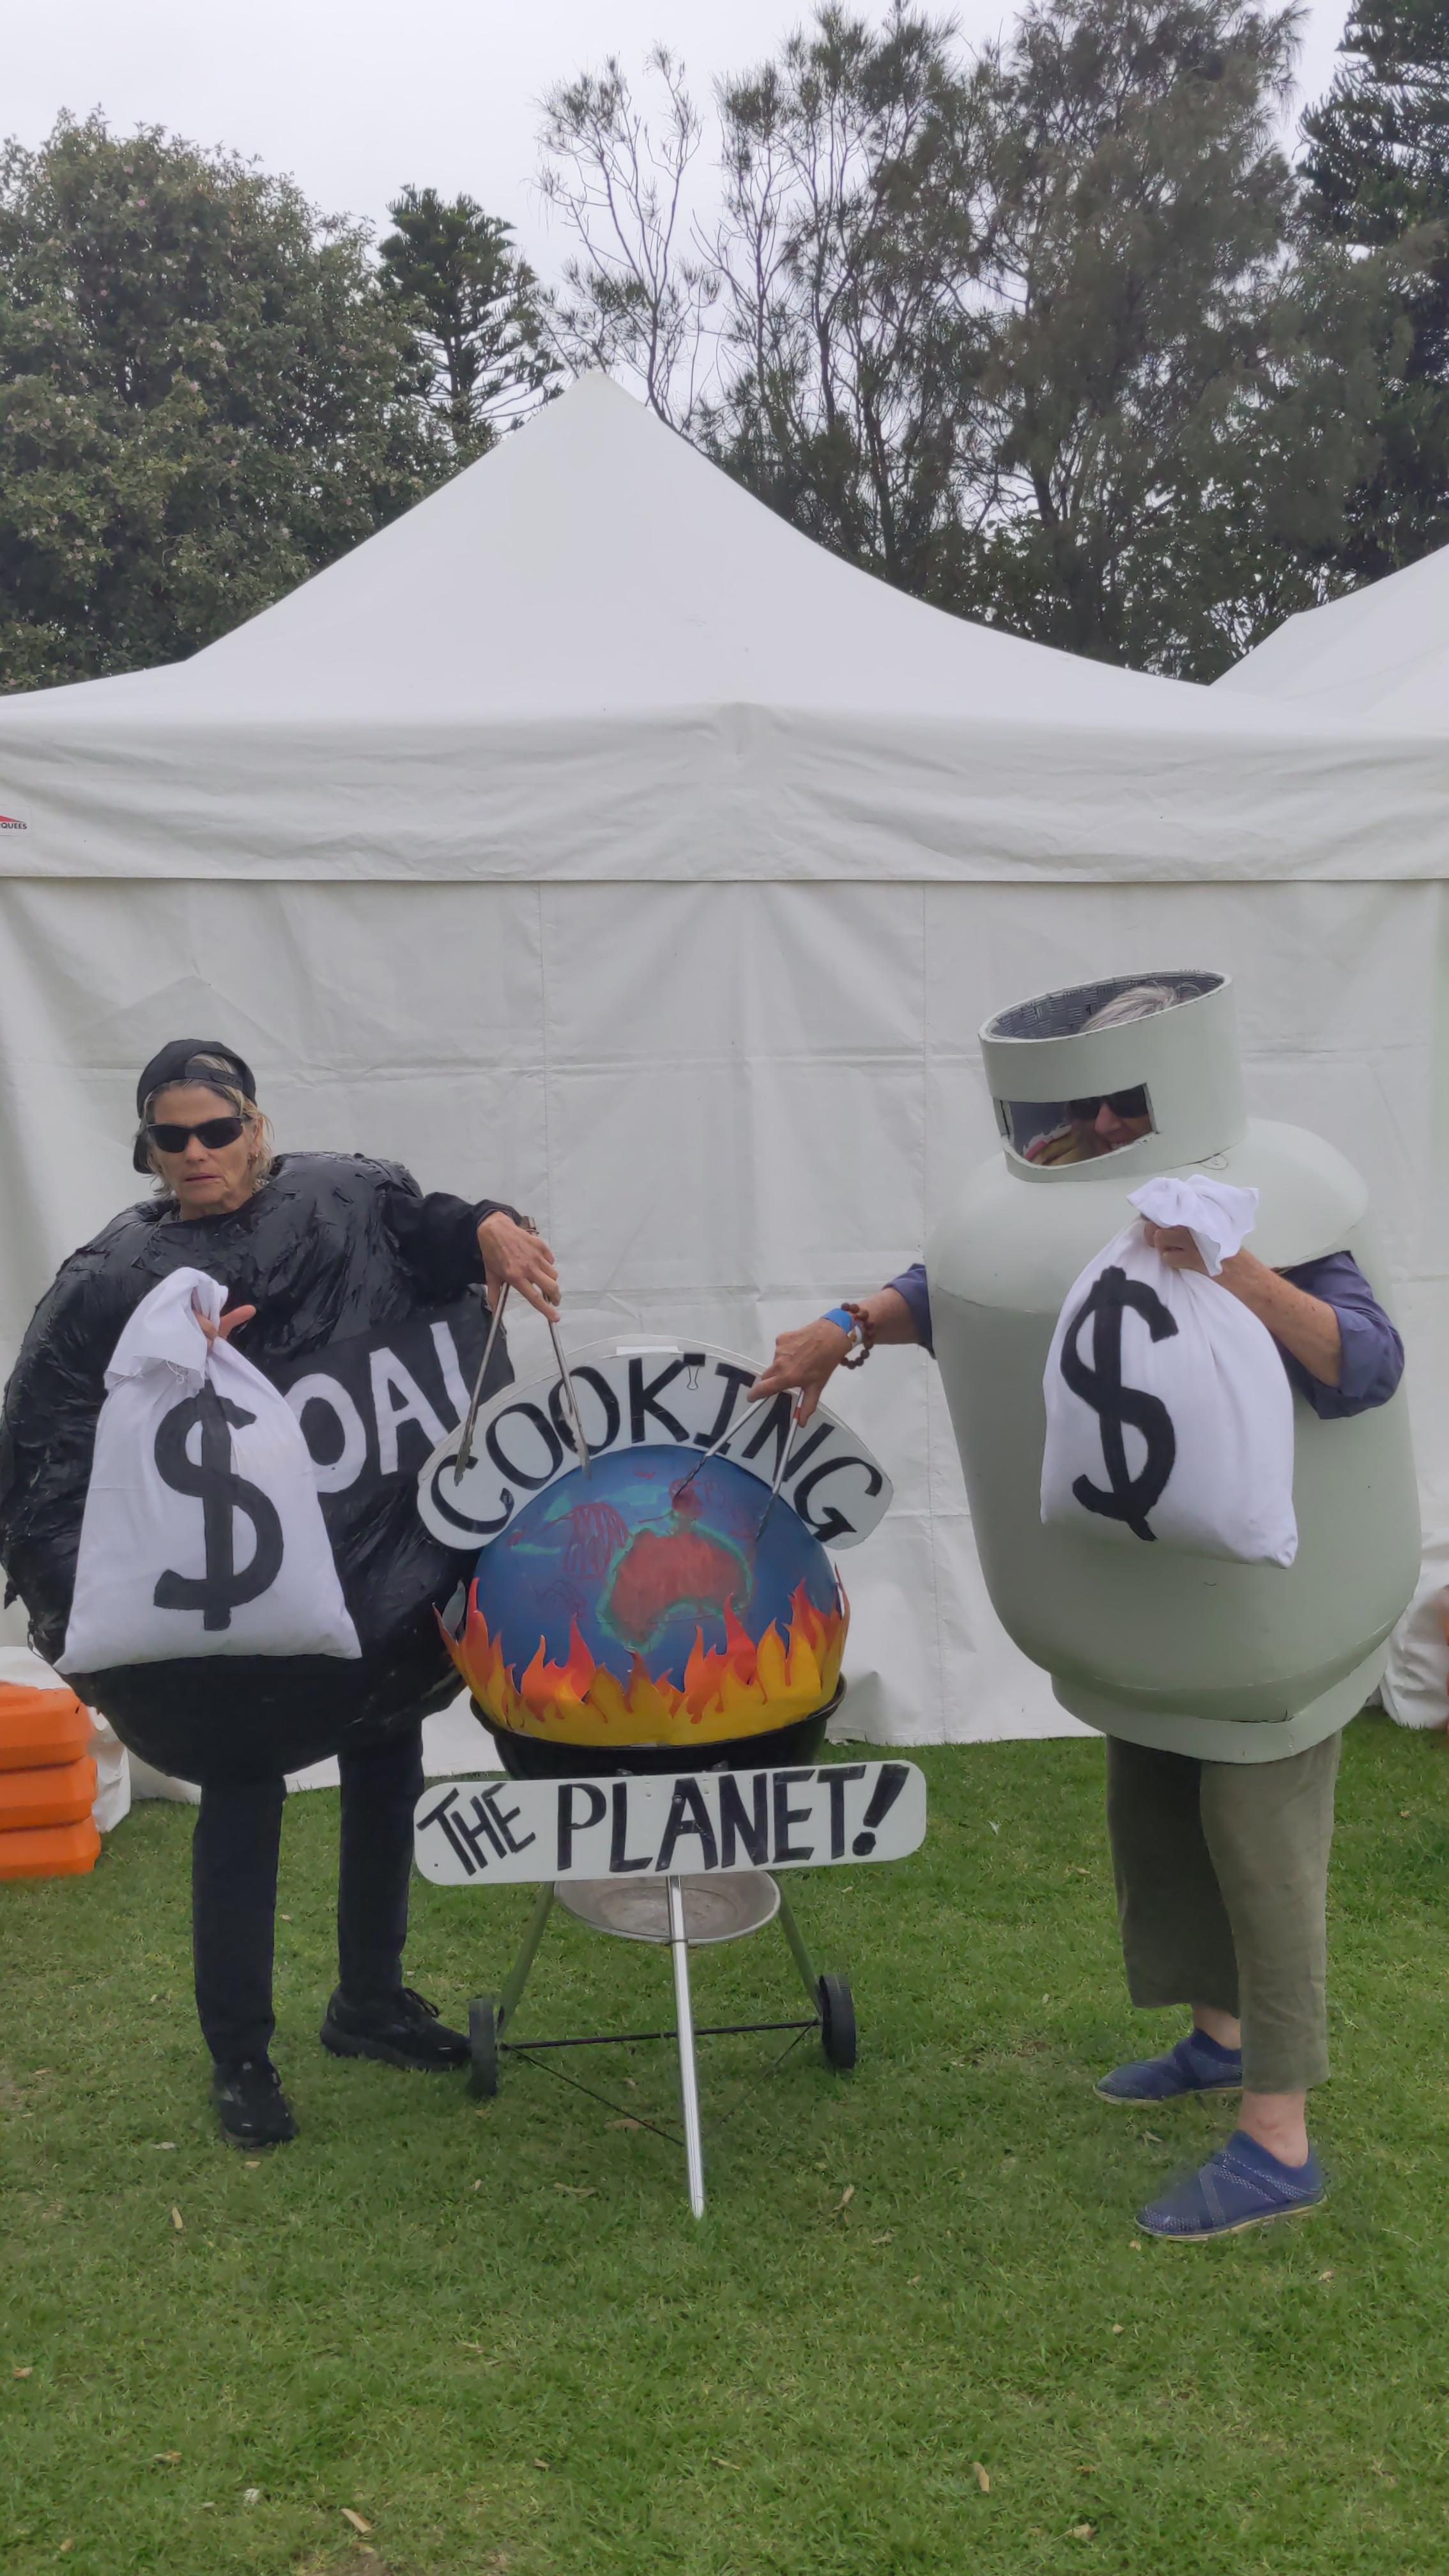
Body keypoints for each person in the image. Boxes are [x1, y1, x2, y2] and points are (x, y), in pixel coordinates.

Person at [749, 1000, 1405, 2242]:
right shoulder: (1035, 1219)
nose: (1101, 1127)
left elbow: (1363, 1364)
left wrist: (1233, 1265)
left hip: (1268, 1624)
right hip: (1150, 1620)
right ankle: (1217, 2038)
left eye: (1127, 1106)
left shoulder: (1283, 1201)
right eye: (1085, 1107)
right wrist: (846, 1331)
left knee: (1258, 1850)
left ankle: (1280, 2138)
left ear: (1176, 1090)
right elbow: (943, 1290)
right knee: (1157, 1816)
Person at [0, 1039, 560, 2151]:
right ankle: (240, 2060)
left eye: (218, 1128)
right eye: (175, 1136)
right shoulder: (117, 1277)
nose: (199, 1152)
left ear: (257, 1125)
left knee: (387, 1750)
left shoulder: (342, 1199)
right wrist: (81, 1617)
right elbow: (41, 1444)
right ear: (149, 1147)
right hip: (228, 1609)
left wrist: (490, 1221)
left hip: (367, 1577)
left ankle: (370, 2001)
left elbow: (431, 1232)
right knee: (243, 1790)